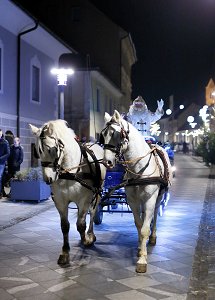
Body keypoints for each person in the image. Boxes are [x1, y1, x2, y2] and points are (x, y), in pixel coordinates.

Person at [0, 129, 10, 198]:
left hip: (1, 163)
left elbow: (8, 153)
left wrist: (0, 158)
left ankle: (0, 193)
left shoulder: (5, 142)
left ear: (1, 133)